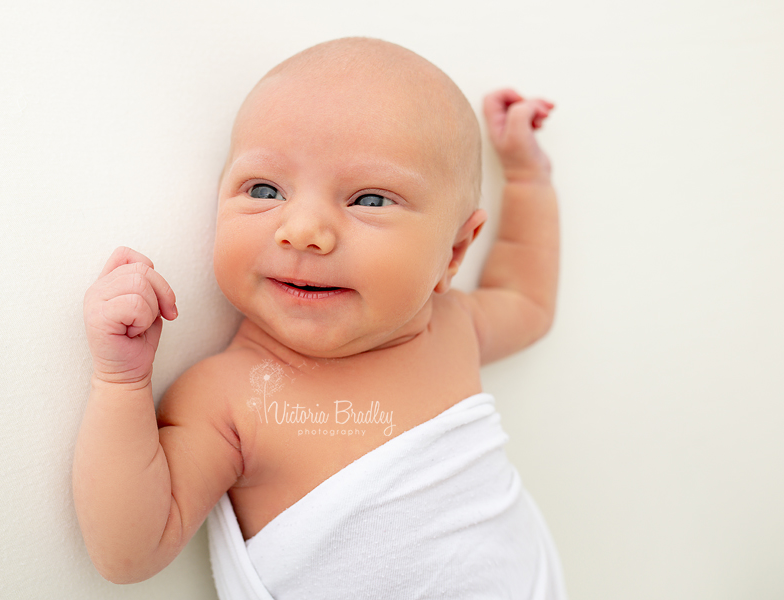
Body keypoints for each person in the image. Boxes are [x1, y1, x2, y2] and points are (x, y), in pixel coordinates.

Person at [73, 37, 565, 598]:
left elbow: (528, 302)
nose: (303, 229)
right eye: (264, 190)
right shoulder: (230, 396)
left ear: (454, 252)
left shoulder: (452, 327)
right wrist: (120, 380)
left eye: (370, 200)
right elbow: (130, 550)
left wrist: (528, 180)